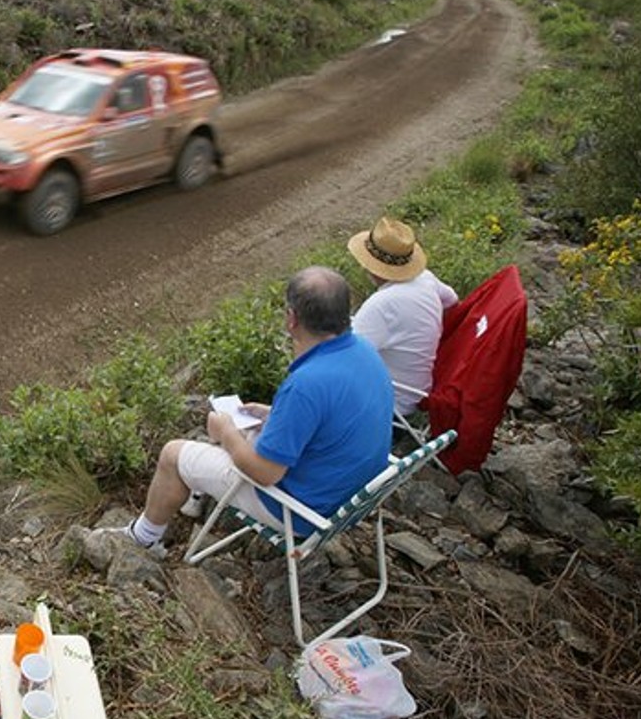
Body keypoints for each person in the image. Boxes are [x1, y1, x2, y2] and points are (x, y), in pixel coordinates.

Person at [107, 266, 393, 554]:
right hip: (347, 495)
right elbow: (333, 415)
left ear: (292, 319)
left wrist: (226, 433)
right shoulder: (364, 351)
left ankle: (142, 538)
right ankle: (194, 495)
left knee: (172, 454)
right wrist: (276, 415)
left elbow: (266, 474)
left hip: (301, 511)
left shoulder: (306, 384)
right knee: (248, 433)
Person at [347, 215, 457, 416]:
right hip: (419, 388)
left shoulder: (381, 305)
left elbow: (347, 359)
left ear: (369, 265)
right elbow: (452, 300)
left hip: (392, 403)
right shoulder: (425, 278)